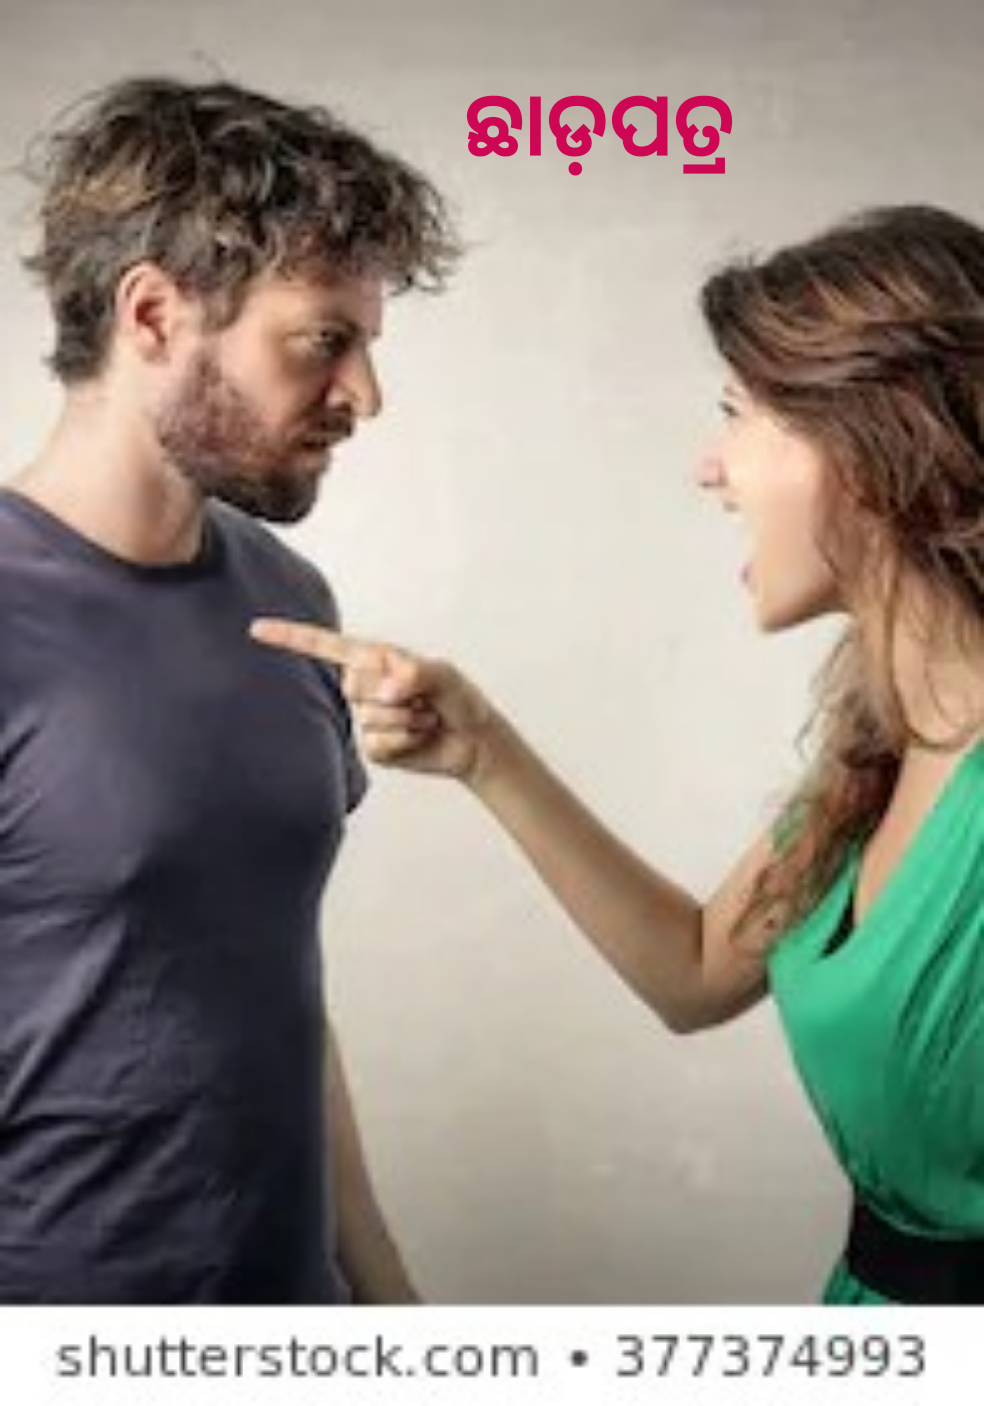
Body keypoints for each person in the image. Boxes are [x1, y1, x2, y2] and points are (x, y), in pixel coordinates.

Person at [252, 204, 984, 1305]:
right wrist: (483, 750)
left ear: (876, 445)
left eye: (739, 414)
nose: (709, 467)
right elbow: (694, 970)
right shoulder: (877, 743)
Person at [0, 74, 458, 1303]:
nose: (364, 395)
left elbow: (269, 985)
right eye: (323, 339)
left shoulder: (291, 599)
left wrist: (386, 1300)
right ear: (154, 314)